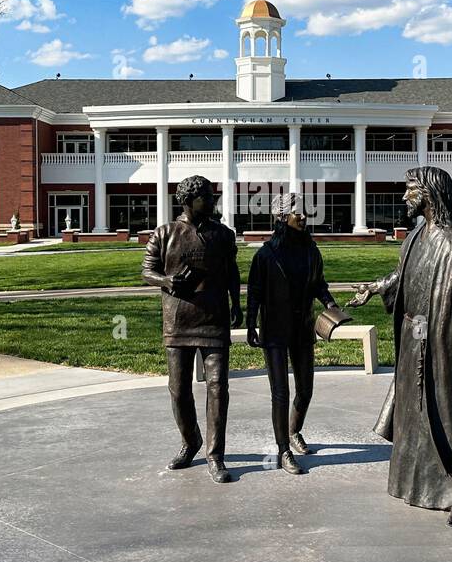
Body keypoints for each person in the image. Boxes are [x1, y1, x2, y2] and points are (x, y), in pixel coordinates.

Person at [349, 165, 452, 527]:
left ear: (430, 194)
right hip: (414, 341)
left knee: (451, 418)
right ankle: (418, 484)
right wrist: (376, 288)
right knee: (415, 418)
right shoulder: (415, 237)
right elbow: (403, 276)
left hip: (444, 348)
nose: (405, 196)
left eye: (410, 190)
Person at [142, 175, 242, 483]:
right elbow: (147, 270)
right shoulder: (164, 233)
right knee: (179, 391)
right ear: (188, 200)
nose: (213, 201)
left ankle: (216, 455)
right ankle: (191, 441)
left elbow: (232, 272)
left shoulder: (223, 235)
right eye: (208, 197)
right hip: (178, 322)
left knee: (218, 389)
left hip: (214, 319)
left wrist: (237, 304)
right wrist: (167, 281)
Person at [246, 192, 338, 475]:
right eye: (297, 212)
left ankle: (294, 430)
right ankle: (283, 450)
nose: (303, 216)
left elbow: (318, 283)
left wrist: (330, 303)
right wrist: (250, 323)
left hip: (302, 327)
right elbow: (255, 293)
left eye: (305, 211)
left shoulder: (311, 250)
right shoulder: (266, 255)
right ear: (282, 216)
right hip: (274, 329)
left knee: (306, 390)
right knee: (280, 393)